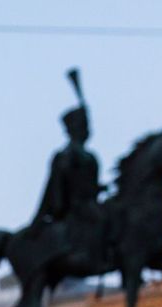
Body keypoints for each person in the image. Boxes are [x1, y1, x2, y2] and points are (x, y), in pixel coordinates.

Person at [31, 69, 107, 268]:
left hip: (88, 203)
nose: (88, 129)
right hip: (75, 207)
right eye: (84, 125)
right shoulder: (66, 156)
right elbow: (57, 186)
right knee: (102, 221)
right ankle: (92, 256)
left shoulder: (89, 157)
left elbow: (91, 185)